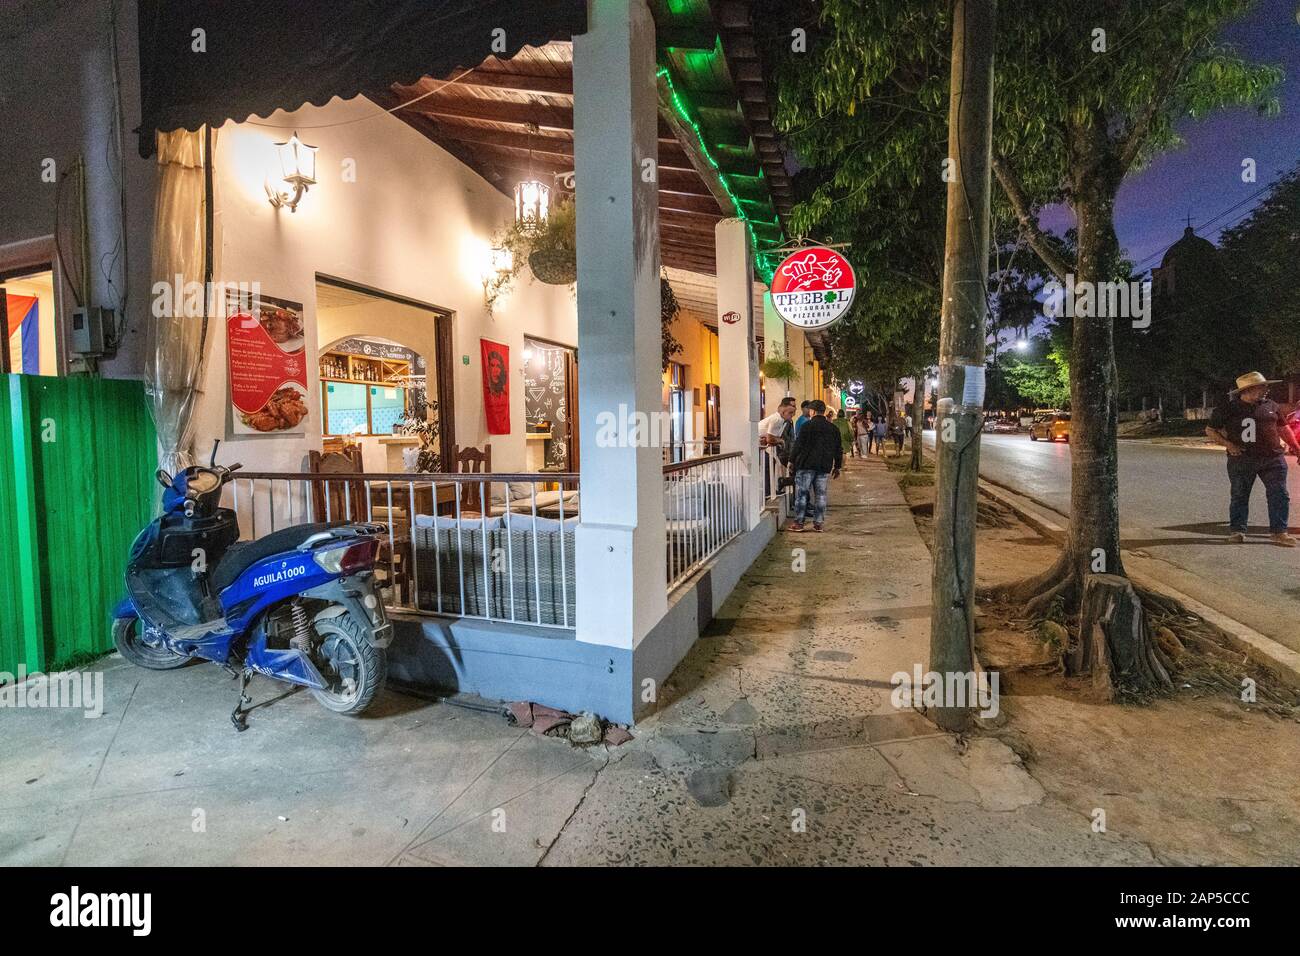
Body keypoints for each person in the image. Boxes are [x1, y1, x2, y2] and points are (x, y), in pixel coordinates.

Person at [1206, 371, 1300, 547]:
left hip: (1273, 459)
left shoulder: (1271, 406)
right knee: (1240, 495)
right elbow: (1211, 430)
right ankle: (1238, 531)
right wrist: (1229, 445)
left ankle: (1279, 532)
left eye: (1265, 386)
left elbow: (1284, 429)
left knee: (1279, 495)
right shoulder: (1228, 409)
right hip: (1242, 459)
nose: (1266, 389)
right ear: (1248, 390)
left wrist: (1296, 448)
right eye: (1262, 386)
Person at [786, 399, 842, 533]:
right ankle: (818, 523)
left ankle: (799, 523)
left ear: (813, 411)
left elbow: (798, 445)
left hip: (806, 465)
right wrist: (837, 466)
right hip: (824, 466)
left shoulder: (807, 426)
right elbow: (838, 449)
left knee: (802, 494)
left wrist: (791, 460)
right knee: (821, 495)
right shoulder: (833, 428)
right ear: (823, 412)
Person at [758, 397, 797, 495]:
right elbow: (770, 439)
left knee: (770, 462)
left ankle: (770, 490)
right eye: (790, 412)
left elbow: (769, 438)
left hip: (759, 446)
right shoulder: (777, 420)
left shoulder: (782, 421)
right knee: (769, 463)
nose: (792, 415)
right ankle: (768, 491)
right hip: (754, 446)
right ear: (783, 411)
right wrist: (781, 441)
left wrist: (775, 440)